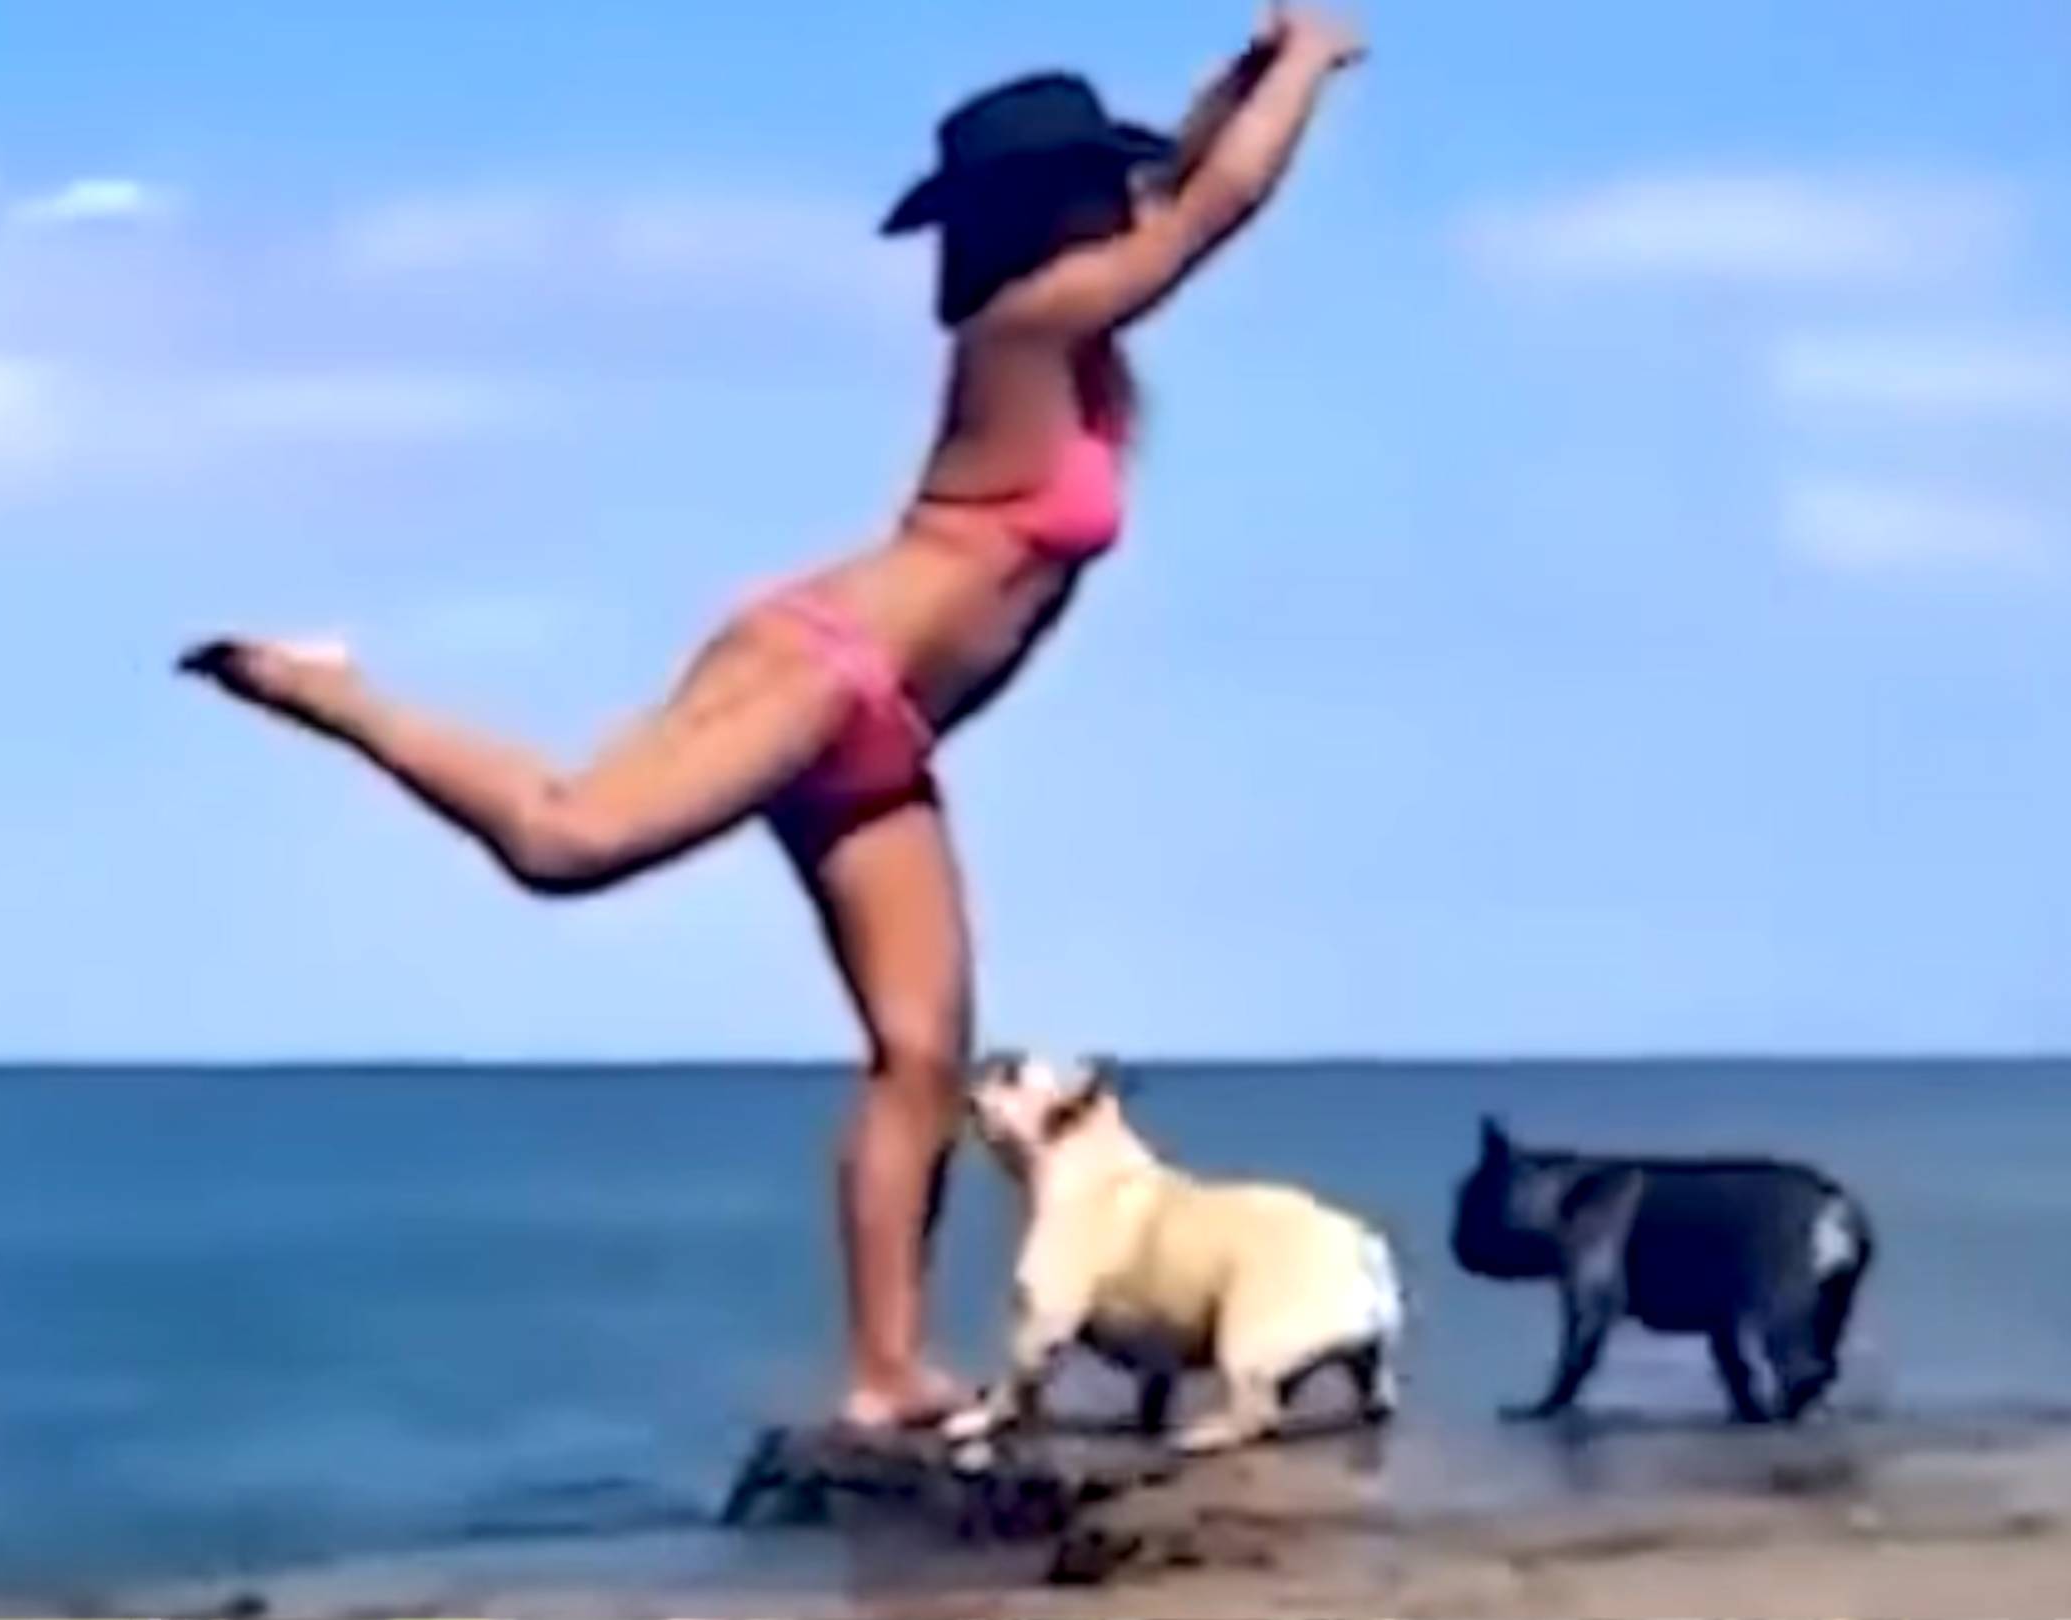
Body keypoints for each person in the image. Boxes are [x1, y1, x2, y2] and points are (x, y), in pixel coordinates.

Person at [175, 6, 1365, 1433]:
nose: (1126, 196)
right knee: (565, 842)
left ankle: (886, 1371)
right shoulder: (1022, 323)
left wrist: (1249, 70)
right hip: (821, 667)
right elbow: (1215, 206)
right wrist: (1311, 59)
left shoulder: (1079, 320)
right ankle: (325, 686)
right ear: (1044, 206)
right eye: (1097, 182)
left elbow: (1183, 178)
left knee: (922, 1056)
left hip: (888, 738)